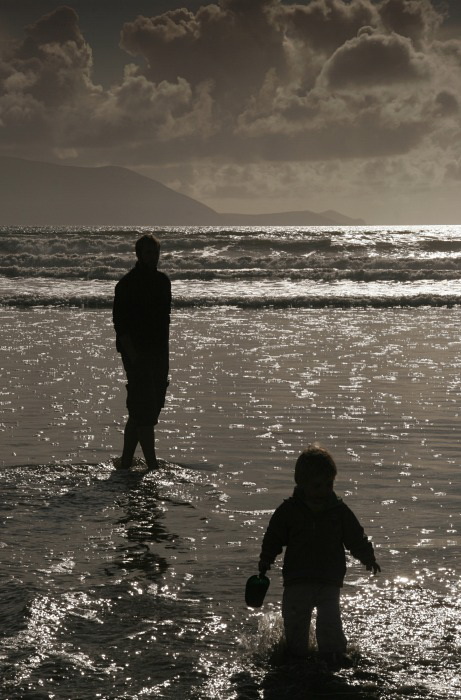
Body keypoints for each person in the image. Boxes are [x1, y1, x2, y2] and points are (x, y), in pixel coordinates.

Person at [258, 443, 380, 668]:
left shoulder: (339, 512)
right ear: (301, 484)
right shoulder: (289, 511)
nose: (323, 491)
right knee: (296, 626)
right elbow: (273, 536)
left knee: (330, 625)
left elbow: (355, 536)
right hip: (297, 581)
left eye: (329, 484)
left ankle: (333, 657)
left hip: (329, 582)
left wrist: (367, 557)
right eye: (316, 486)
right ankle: (296, 660)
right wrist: (266, 559)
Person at [113, 233, 171, 470]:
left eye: (156, 252)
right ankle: (152, 465)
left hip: (159, 353)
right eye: (149, 252)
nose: (153, 257)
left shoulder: (163, 282)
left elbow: (165, 322)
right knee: (145, 411)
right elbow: (121, 327)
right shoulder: (126, 285)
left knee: (144, 410)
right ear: (138, 254)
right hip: (136, 354)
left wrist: (165, 357)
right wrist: (134, 358)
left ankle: (126, 461)